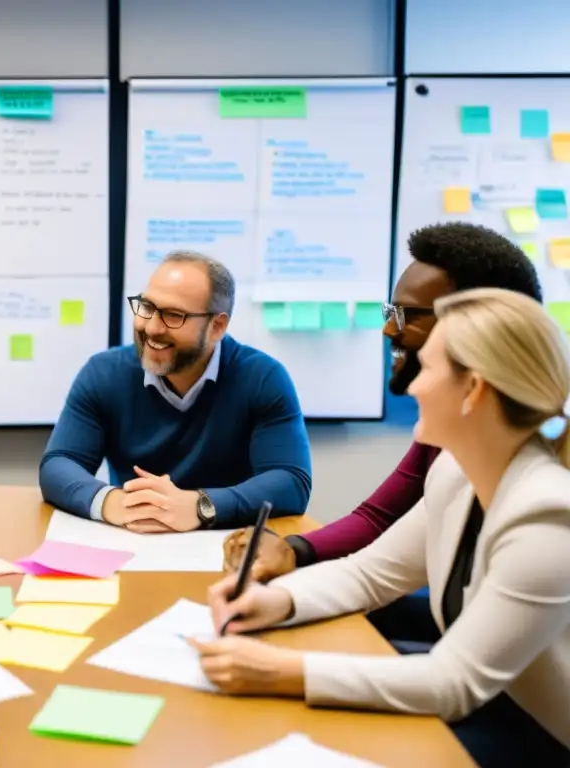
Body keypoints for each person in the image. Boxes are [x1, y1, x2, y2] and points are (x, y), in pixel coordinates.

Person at [194, 288, 570, 767]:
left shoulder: (548, 516)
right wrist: (276, 601)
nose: (411, 386)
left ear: (473, 389)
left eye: (428, 369)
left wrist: (283, 671)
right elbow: (369, 574)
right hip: (489, 710)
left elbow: (452, 683)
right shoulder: (458, 472)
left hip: (540, 739)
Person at [223, 223, 543, 597]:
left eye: (406, 314)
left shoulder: (539, 491)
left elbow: (468, 656)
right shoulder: (450, 453)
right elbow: (376, 538)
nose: (388, 330)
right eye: (390, 311)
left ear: (482, 328)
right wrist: (294, 552)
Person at [39, 251, 311, 531]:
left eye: (173, 315)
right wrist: (113, 502)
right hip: (132, 538)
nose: (152, 328)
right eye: (146, 307)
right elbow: (58, 464)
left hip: (225, 545)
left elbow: (291, 481)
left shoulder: (262, 378)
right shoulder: (104, 374)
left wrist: (199, 506)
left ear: (216, 327)